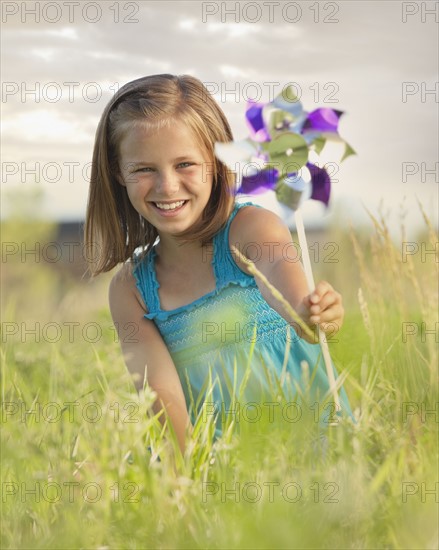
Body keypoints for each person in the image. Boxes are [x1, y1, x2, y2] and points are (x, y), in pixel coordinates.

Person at [85, 74, 353, 454]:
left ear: (215, 161)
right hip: (224, 474)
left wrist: (313, 313)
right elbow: (163, 405)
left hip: (313, 450)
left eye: (185, 164)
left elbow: (291, 294)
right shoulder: (131, 289)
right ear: (117, 172)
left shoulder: (250, 230)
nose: (167, 186)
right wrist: (187, 494)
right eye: (144, 169)